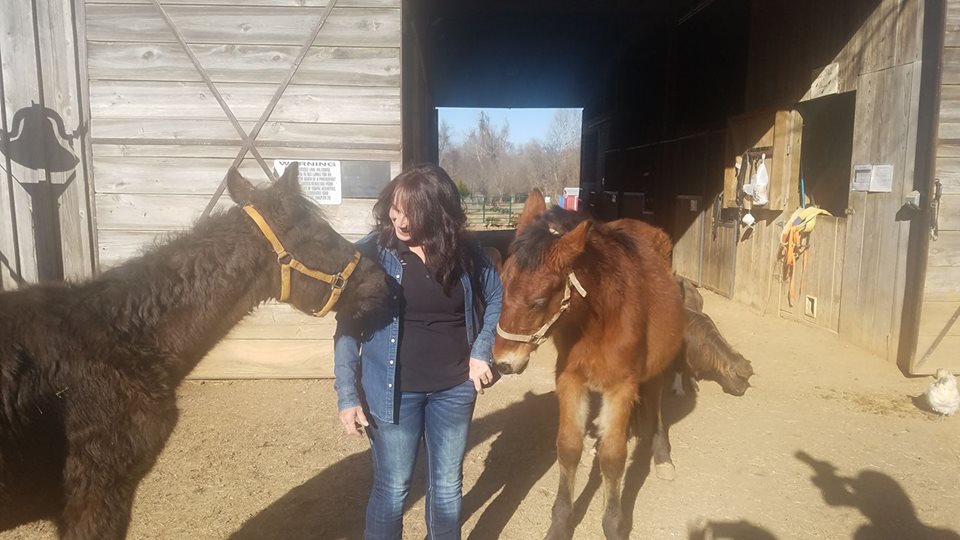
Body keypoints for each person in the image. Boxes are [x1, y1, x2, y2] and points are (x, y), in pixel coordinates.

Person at [333, 163, 502, 540]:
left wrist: (481, 350)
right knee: (393, 488)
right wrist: (347, 395)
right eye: (395, 208)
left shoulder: (466, 252)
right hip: (392, 393)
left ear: (438, 213)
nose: (400, 219)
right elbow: (347, 328)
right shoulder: (371, 254)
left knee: (447, 486)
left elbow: (495, 296)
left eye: (412, 212)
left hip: (454, 389)